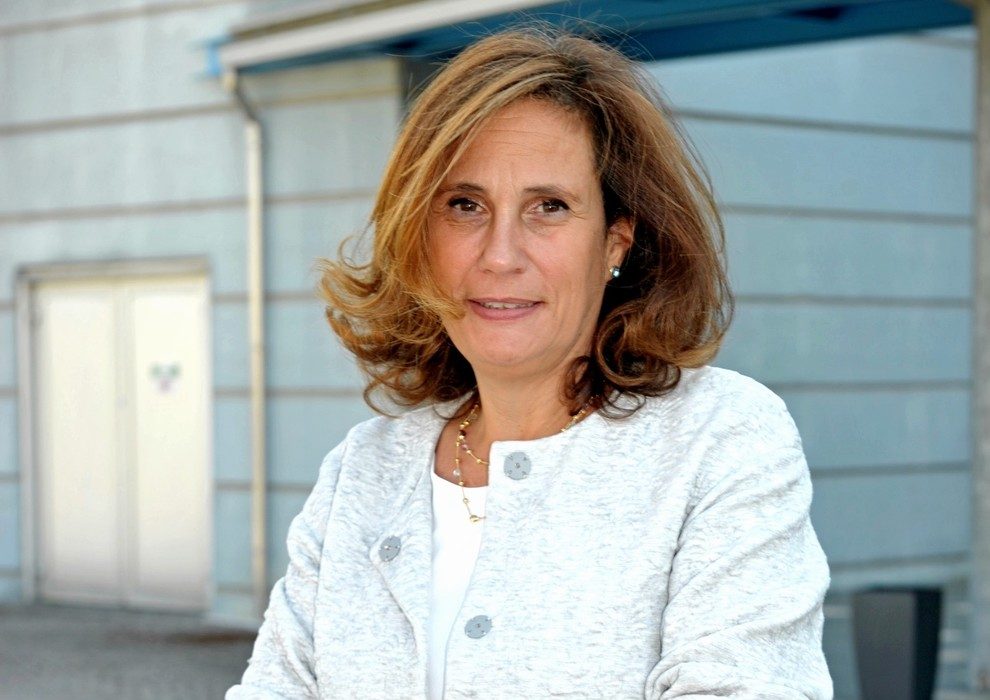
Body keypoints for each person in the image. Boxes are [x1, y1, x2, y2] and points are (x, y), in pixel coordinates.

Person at [227, 25, 833, 699]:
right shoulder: (361, 472)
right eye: (465, 205)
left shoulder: (719, 441)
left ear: (615, 243)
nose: (500, 254)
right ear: (419, 236)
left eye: (549, 207)